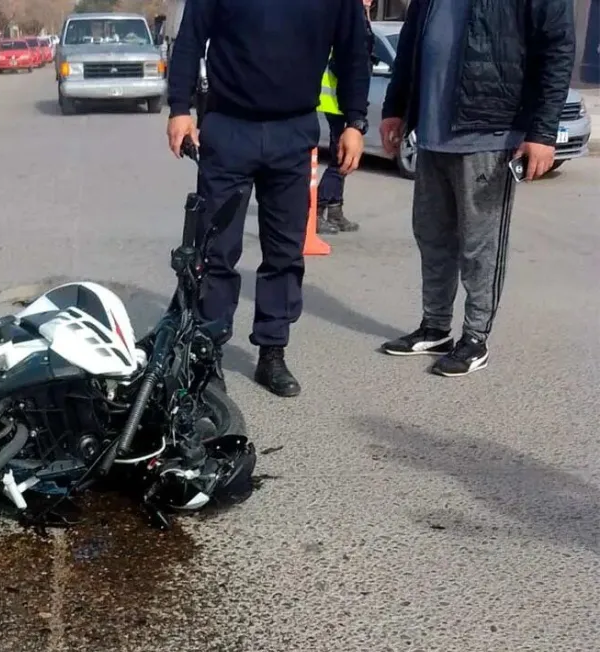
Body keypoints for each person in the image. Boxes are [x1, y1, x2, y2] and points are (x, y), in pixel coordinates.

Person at [166, 0, 371, 397]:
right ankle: (207, 355)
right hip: (228, 129)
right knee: (216, 251)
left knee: (284, 252)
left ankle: (272, 352)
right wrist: (180, 107)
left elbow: (353, 53)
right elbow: (191, 37)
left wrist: (355, 122)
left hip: (292, 133)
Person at [378, 0, 574, 377]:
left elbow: (557, 48)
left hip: (489, 132)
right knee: (432, 235)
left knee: (479, 244)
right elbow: (410, 46)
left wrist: (542, 133)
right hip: (432, 133)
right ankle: (435, 327)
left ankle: (475, 337)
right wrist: (395, 107)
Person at [316, 0, 376, 234]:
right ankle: (318, 206)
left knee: (343, 158)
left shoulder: (360, 16)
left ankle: (335, 209)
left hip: (346, 101)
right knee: (339, 157)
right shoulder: (344, 17)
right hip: (336, 100)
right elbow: (347, 58)